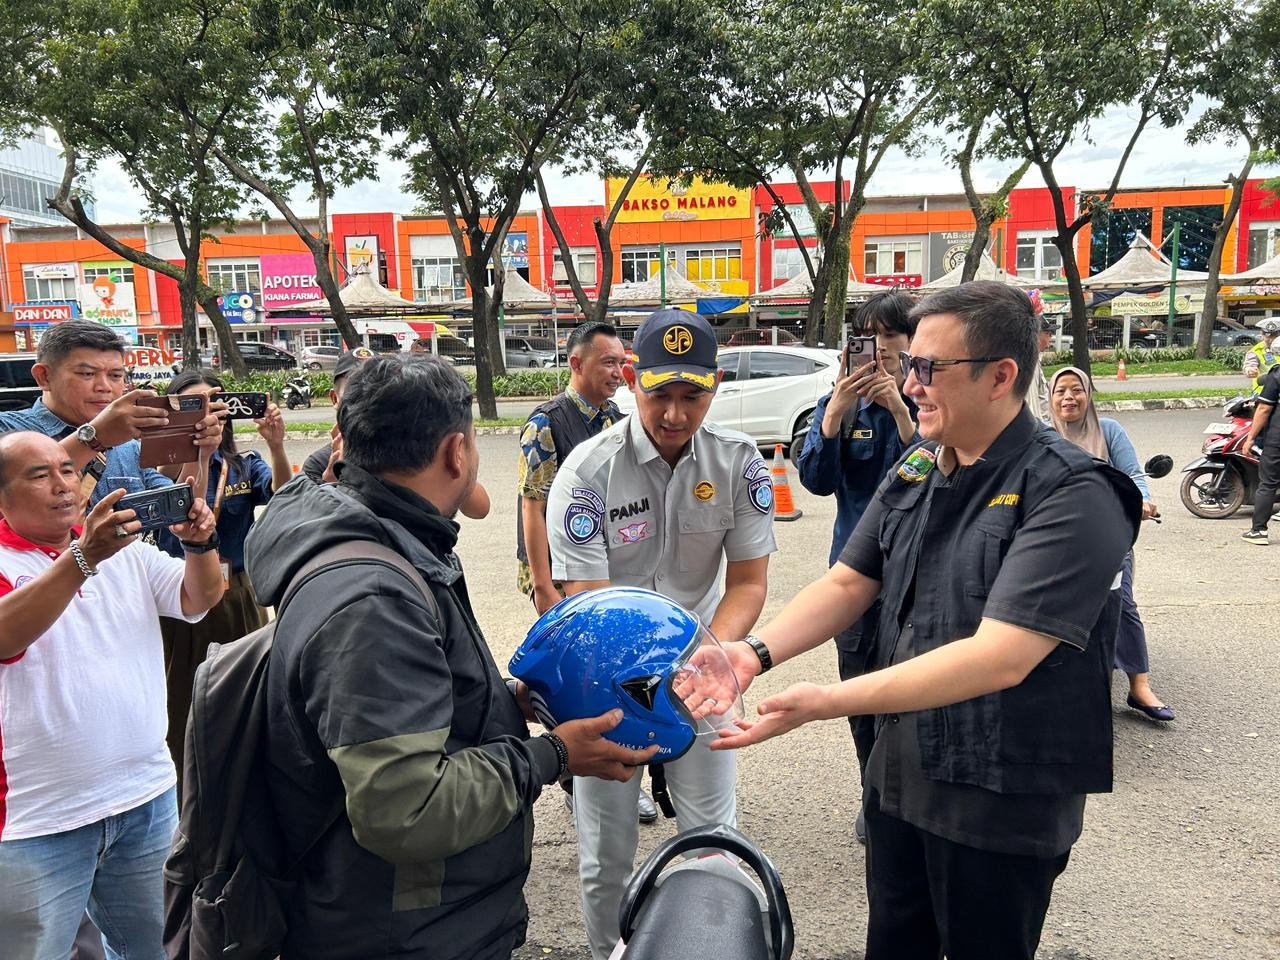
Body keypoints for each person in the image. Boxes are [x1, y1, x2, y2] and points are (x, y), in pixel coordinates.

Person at [712, 281, 1141, 960]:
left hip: (999, 801)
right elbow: (852, 579)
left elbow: (1000, 656)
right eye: (909, 364)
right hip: (903, 779)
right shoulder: (919, 466)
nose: (909, 384)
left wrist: (826, 702)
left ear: (1001, 376)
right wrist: (752, 655)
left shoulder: (1073, 490)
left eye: (927, 368)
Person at [242, 355, 655, 960]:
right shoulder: (375, 595)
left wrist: (498, 703)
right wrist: (554, 755)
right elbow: (407, 809)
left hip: (396, 909)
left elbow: (396, 709)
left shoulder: (379, 535)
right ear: (457, 453)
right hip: (403, 925)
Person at [546, 308, 776, 960]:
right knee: (606, 857)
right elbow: (589, 605)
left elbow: (748, 584)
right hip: (609, 683)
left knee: (714, 847)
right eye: (660, 395)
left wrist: (713, 657)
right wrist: (652, 672)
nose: (675, 414)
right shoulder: (586, 474)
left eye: (691, 396)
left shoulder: (740, 465)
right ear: (630, 378)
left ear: (716, 384)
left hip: (704, 677)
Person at [0, 431, 223, 960]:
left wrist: (198, 544)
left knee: (157, 948)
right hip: (37, 821)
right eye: (39, 475)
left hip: (145, 797)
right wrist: (83, 556)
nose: (63, 485)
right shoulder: (69, 553)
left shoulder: (125, 550)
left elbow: (201, 595)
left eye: (68, 471)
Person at [795, 289, 918, 841]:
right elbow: (817, 483)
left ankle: (911, 797)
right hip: (855, 578)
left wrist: (899, 407)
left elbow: (937, 473)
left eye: (893, 340)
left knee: (917, 691)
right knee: (859, 693)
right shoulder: (837, 405)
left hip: (919, 576)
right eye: (871, 341)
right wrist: (835, 415)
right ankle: (875, 797)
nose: (882, 353)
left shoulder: (927, 402)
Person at [155, 367, 293, 771]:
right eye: (195, 404)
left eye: (216, 400)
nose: (209, 411)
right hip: (182, 597)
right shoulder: (157, 467)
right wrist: (195, 454)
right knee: (183, 694)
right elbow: (181, 507)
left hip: (238, 594)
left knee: (248, 688)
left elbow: (283, 496)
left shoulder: (243, 466)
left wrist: (277, 447)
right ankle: (188, 785)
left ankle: (248, 779)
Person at [1048, 367, 1173, 722]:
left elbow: (1133, 474)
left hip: (1109, 534)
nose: (1069, 398)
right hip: (1058, 538)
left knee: (1122, 604)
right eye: (1061, 391)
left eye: (1077, 390)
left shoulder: (1109, 431)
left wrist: (1143, 500)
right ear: (1051, 399)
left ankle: (1139, 685)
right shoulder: (1043, 435)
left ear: (1089, 396)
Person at [0, 320, 220, 503]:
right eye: (87, 374)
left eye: (115, 375)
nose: (104, 386)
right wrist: (95, 438)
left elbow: (179, 509)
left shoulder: (128, 445)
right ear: (44, 377)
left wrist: (198, 452)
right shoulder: (8, 431)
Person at [303, 347, 491, 517]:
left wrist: (454, 470)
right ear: (335, 398)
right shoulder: (320, 463)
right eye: (355, 391)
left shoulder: (410, 439)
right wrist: (333, 487)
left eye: (379, 389)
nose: (367, 399)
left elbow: (479, 508)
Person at [518, 320, 626, 614]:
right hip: (560, 572)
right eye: (608, 363)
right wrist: (543, 585)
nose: (618, 373)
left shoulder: (615, 418)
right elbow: (532, 507)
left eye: (621, 363)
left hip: (600, 563)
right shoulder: (546, 423)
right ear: (577, 364)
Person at [1241, 364, 1280, 545]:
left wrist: (1250, 438)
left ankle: (1258, 531)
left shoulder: (1277, 373)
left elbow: (1264, 408)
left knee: (1268, 484)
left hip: (1277, 440)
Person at [1026, 315, 1057, 421]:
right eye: (1048, 333)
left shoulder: (1035, 360)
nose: (1051, 337)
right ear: (1036, 335)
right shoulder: (1028, 363)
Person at [1243, 318, 1280, 394]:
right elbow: (1250, 364)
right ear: (1261, 335)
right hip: (1263, 395)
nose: (1271, 340)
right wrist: (1250, 370)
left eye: (1274, 337)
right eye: (1268, 337)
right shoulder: (1255, 351)